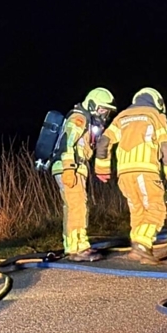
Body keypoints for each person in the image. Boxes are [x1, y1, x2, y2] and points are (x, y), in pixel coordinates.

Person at [94, 87, 167, 264]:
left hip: (124, 175)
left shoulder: (121, 117)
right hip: (146, 171)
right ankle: (142, 243)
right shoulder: (156, 116)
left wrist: (102, 168)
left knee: (138, 211)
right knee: (156, 209)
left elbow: (103, 142)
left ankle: (139, 250)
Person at [52, 87, 116, 262]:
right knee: (77, 207)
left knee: (74, 206)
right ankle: (78, 248)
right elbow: (67, 142)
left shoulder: (87, 121)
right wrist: (68, 168)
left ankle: (73, 245)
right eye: (102, 109)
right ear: (93, 104)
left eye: (107, 111)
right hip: (70, 168)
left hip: (74, 167)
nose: (104, 114)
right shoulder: (79, 118)